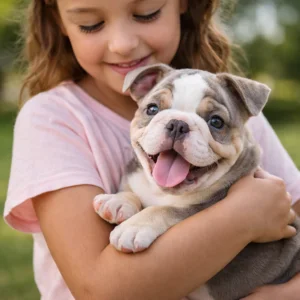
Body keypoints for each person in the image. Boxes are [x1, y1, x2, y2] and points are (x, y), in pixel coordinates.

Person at [3, 0, 300, 299]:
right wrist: (243, 217)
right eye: (90, 23)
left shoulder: (239, 113)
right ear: (59, 21)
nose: (122, 44)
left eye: (147, 14)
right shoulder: (53, 120)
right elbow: (99, 291)